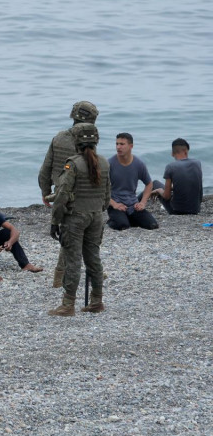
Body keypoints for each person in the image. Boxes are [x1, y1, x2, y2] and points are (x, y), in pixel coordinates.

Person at [48, 123, 110, 316]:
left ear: (76, 142)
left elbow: (62, 195)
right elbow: (107, 197)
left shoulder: (72, 164)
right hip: (96, 216)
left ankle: (68, 305)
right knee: (94, 259)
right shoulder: (105, 163)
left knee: (73, 260)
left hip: (75, 218)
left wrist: (55, 221)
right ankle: (96, 301)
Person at [38, 101, 100, 287]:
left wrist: (45, 191)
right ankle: (63, 276)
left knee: (68, 233)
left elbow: (45, 168)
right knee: (77, 235)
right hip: (80, 194)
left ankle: (67, 274)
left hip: (59, 192)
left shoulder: (58, 138)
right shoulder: (87, 142)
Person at [107, 132, 158, 230]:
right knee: (122, 225)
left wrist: (142, 203)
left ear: (131, 146)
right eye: (117, 144)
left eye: (122, 144)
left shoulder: (138, 164)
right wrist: (114, 204)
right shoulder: (110, 163)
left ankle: (127, 218)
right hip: (116, 204)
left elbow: (149, 184)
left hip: (133, 204)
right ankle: (114, 220)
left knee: (152, 225)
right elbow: (99, 187)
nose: (118, 147)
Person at [151, 138, 203, 215]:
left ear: (172, 153)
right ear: (186, 151)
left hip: (176, 211)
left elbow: (167, 196)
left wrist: (158, 190)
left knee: (155, 183)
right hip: (196, 209)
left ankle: (134, 204)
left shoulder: (171, 166)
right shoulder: (197, 163)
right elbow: (191, 185)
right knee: (161, 188)